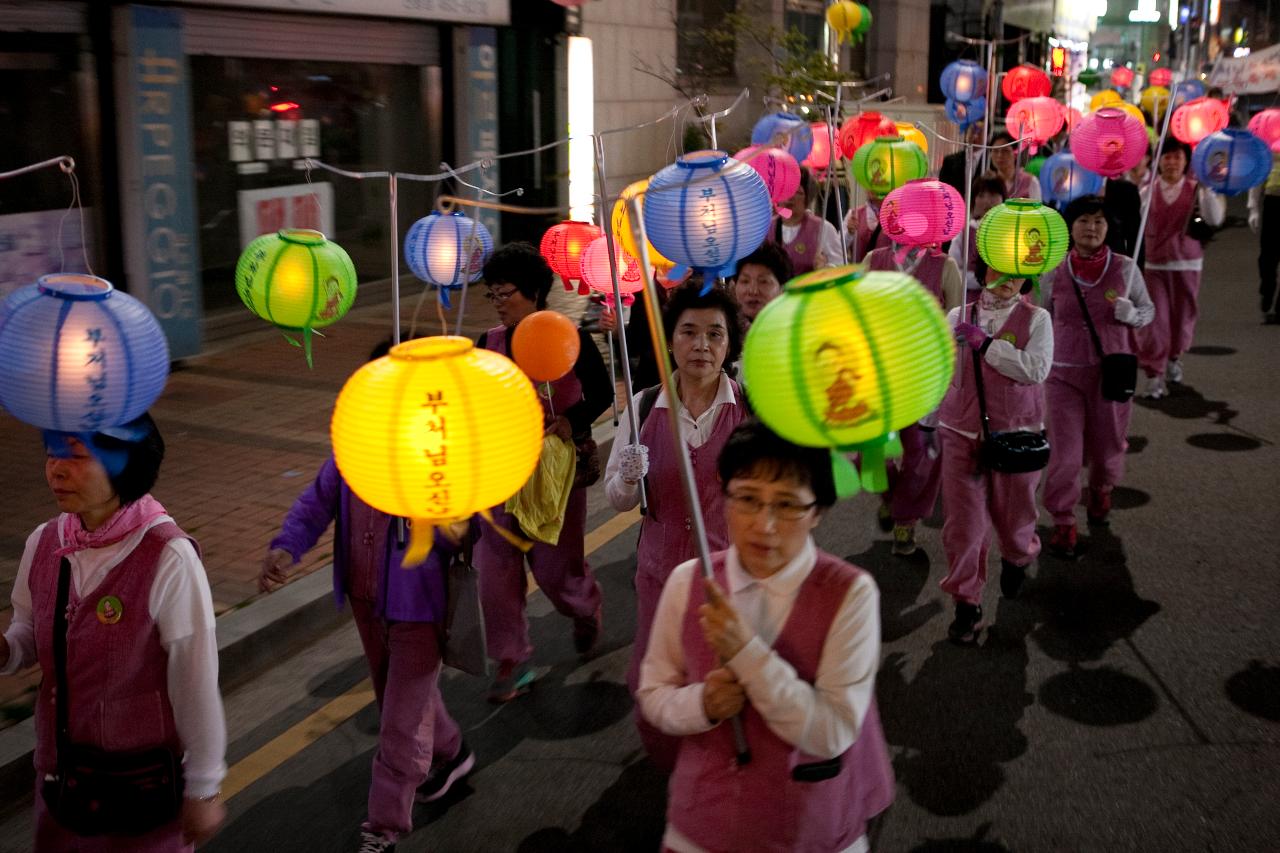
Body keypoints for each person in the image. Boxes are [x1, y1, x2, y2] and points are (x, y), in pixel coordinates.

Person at [637, 420, 893, 852]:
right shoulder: (689, 581)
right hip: (703, 824)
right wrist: (701, 704)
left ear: (818, 512)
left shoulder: (851, 593)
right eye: (748, 499)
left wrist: (746, 653)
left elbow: (833, 730)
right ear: (725, 495)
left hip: (811, 827)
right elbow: (654, 691)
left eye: (788, 505)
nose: (764, 525)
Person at [261, 339, 474, 853]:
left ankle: (383, 827)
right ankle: (452, 750)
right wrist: (286, 547)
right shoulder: (352, 450)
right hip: (365, 603)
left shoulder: (441, 457)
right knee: (399, 701)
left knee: (399, 723)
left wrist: (452, 523)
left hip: (419, 612)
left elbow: (470, 531)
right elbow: (316, 502)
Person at [2, 414, 226, 851]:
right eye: (51, 452)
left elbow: (195, 683)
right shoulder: (44, 542)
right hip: (61, 782)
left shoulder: (169, 557)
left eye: (78, 456)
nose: (57, 468)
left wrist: (203, 788)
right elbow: (26, 636)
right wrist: (4, 649)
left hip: (140, 793)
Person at [605, 282, 750, 769]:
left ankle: (718, 772)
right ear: (670, 341)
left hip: (729, 580)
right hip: (659, 576)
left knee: (723, 681)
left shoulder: (750, 409)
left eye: (715, 334)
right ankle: (671, 767)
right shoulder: (644, 407)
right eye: (688, 332)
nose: (701, 346)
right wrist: (628, 476)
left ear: (730, 345)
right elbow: (619, 501)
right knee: (650, 681)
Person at [475, 242, 612, 701]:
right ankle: (511, 660)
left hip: (556, 474)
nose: (497, 302)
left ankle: (583, 606)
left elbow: (601, 392)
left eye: (504, 293)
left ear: (533, 291)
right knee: (495, 568)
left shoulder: (569, 337)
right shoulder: (486, 345)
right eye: (491, 294)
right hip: (500, 474)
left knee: (555, 570)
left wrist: (571, 422)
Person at [938, 263, 1053, 644]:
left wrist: (987, 346)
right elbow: (940, 370)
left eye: (1017, 275)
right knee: (964, 527)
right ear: (984, 270)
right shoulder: (958, 315)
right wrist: (925, 422)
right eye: (1000, 271)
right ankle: (966, 603)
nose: (1008, 281)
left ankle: (1018, 555)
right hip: (958, 431)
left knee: (1015, 515)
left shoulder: (1037, 319)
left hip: (1014, 434)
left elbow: (1035, 369)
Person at [1039, 197, 1154, 559]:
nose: (1091, 228)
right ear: (1071, 227)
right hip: (1062, 376)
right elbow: (1044, 315)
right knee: (1065, 456)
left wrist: (1132, 314)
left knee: (1107, 450)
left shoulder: (1126, 268)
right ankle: (1063, 521)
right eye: (1084, 221)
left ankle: (1101, 490)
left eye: (1099, 222)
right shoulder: (1053, 269)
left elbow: (1148, 310)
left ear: (1109, 229)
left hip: (1110, 374)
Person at [866, 228, 965, 555]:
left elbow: (956, 317)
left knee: (920, 456)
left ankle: (905, 519)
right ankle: (890, 495)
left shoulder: (945, 266)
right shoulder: (873, 261)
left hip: (925, 378)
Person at [1135, 138, 1226, 398]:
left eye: (1177, 157)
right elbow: (1138, 225)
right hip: (1155, 266)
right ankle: (1154, 373)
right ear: (1158, 161)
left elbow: (1215, 218)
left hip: (1187, 263)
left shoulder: (1198, 188)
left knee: (1182, 319)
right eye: (1167, 157)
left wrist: (1208, 190)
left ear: (1187, 162)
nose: (1172, 162)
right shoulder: (1147, 191)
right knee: (1156, 322)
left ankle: (1175, 357)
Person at [770, 166, 844, 274]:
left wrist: (825, 268)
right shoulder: (766, 228)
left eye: (798, 192)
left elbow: (840, 267)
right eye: (785, 190)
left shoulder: (823, 228)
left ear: (808, 198)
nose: (790, 197)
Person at [949, 175, 1007, 298]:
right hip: (971, 299)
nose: (987, 201)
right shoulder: (965, 233)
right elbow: (953, 270)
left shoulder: (1010, 233)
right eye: (981, 196)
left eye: (993, 195)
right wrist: (982, 281)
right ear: (973, 200)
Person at [1247, 148, 1280, 322]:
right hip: (1273, 201)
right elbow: (1258, 173)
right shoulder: (1271, 138)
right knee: (1268, 256)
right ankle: (1267, 290)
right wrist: (1253, 207)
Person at [730, 241, 792, 334]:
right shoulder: (727, 331)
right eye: (745, 281)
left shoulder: (793, 330)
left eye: (763, 282)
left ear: (783, 289)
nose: (753, 291)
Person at [988, 130, 1042, 201]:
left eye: (1005, 151)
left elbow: (1037, 210)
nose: (999, 155)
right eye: (995, 151)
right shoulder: (989, 182)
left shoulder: (1030, 182)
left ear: (1015, 154)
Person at [844, 190, 891, 263]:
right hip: (860, 272)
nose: (871, 188)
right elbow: (840, 248)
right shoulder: (854, 214)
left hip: (887, 272)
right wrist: (849, 234)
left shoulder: (897, 215)